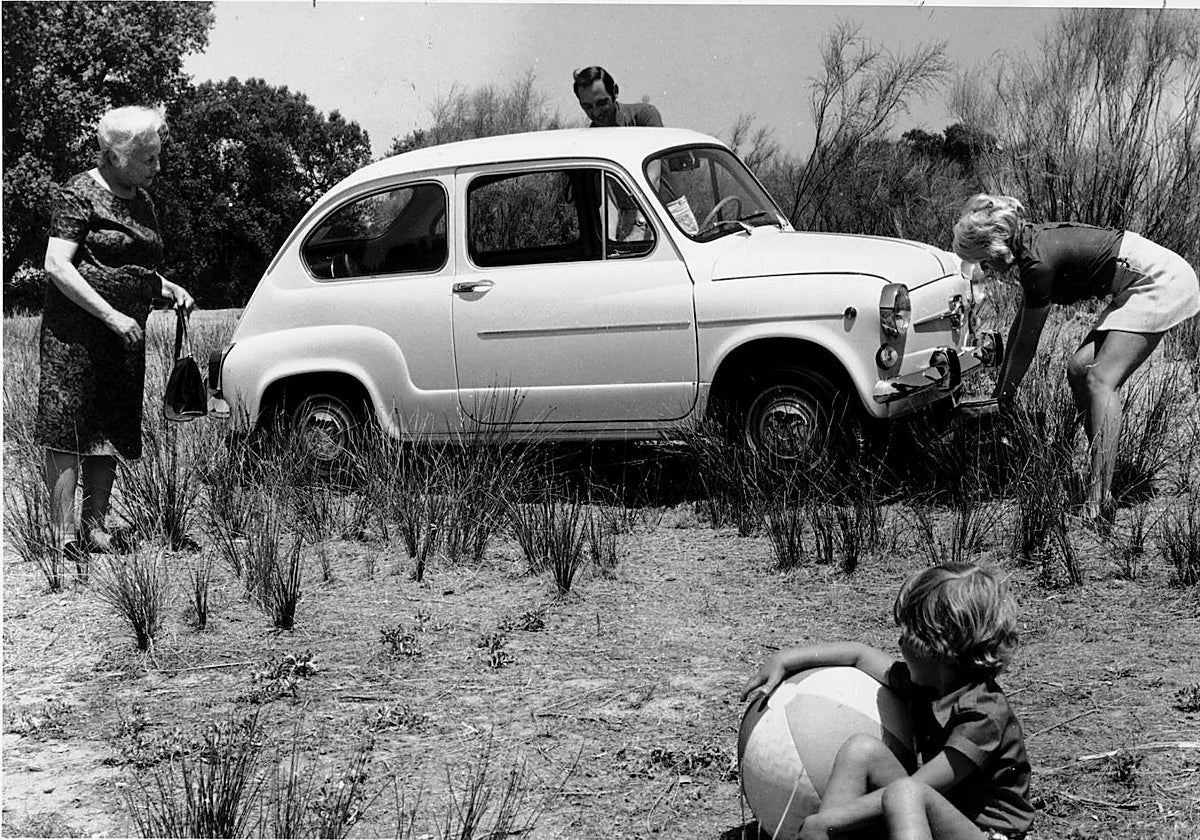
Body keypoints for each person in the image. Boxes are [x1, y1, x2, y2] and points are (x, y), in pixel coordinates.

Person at [952, 194, 1200, 522]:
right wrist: (1000, 395)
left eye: (982, 260)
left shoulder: (1037, 263)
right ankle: (1102, 460)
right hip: (1137, 282)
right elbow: (1018, 332)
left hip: (1159, 280)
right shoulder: (1030, 246)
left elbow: (1026, 347)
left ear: (995, 245)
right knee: (1078, 369)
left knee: (1100, 379)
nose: (985, 269)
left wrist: (1004, 399)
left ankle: (1100, 499)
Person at [741, 563, 1033, 840]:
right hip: (944, 815)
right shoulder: (929, 684)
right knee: (862, 750)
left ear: (935, 648)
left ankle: (829, 830)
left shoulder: (982, 716)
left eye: (906, 635)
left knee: (906, 793)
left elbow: (921, 787)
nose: (898, 644)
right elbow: (858, 655)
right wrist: (784, 659)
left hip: (988, 834)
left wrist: (828, 821)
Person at [35, 105, 195, 580]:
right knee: (69, 427)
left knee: (111, 425)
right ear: (113, 155)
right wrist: (110, 315)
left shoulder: (141, 200)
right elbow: (57, 265)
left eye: (157, 156)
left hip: (124, 335)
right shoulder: (77, 194)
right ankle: (62, 535)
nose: (157, 167)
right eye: (147, 158)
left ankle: (96, 527)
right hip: (77, 335)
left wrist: (168, 288)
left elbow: (136, 266)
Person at [572, 65, 663, 128]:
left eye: (602, 103)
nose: (596, 113)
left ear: (615, 92)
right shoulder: (588, 139)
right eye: (588, 107)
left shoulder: (644, 116)